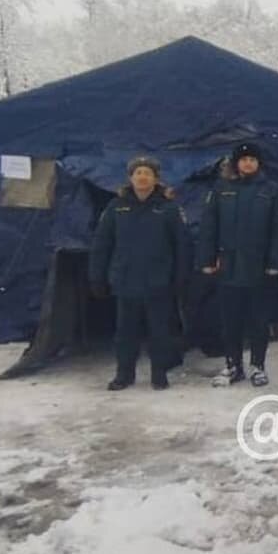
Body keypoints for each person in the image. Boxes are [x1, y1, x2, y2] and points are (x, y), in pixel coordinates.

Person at [88, 156, 191, 391]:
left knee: (160, 331)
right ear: (130, 178)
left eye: (147, 173)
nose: (142, 177)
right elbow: (102, 244)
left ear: (156, 179)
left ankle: (159, 374)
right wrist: (97, 277)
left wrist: (181, 277)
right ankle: (124, 375)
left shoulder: (168, 208)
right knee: (125, 332)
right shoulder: (117, 207)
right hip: (126, 281)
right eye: (138, 173)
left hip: (159, 281)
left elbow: (183, 246)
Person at [198, 141, 278, 387]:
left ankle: (258, 366)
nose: (248, 163)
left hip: (259, 267)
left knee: (259, 319)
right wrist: (207, 259)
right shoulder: (221, 189)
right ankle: (232, 366)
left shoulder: (271, 190)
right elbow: (209, 226)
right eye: (243, 159)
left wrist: (274, 262)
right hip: (228, 266)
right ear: (236, 163)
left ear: (259, 163)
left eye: (252, 159)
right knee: (230, 320)